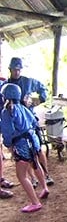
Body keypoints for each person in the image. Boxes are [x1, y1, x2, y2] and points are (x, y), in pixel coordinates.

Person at [0, 83, 50, 213]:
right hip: (32, 140)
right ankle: (44, 187)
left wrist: (8, 145)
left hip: (21, 144)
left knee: (21, 175)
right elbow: (34, 121)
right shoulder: (23, 107)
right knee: (35, 163)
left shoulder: (7, 112)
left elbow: (7, 132)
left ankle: (35, 203)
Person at [6, 57, 54, 187]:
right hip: (15, 125)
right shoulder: (6, 86)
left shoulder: (28, 81)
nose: (17, 72)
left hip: (30, 120)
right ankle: (33, 178)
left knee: (38, 149)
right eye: (14, 69)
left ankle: (47, 174)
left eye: (19, 69)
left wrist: (40, 99)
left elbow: (43, 88)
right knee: (23, 154)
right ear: (10, 69)